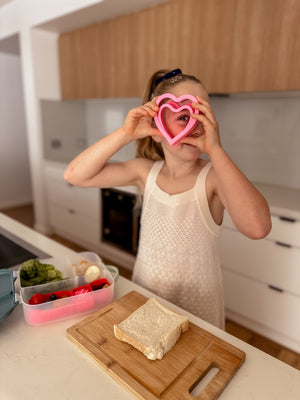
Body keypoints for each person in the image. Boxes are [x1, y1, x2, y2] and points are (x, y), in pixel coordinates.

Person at [64, 68, 271, 329]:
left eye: (203, 116)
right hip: (147, 298)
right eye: (184, 116)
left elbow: (258, 227)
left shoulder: (213, 179)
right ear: (157, 126)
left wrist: (215, 149)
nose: (195, 126)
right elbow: (75, 175)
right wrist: (128, 133)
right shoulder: (144, 172)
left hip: (198, 313)